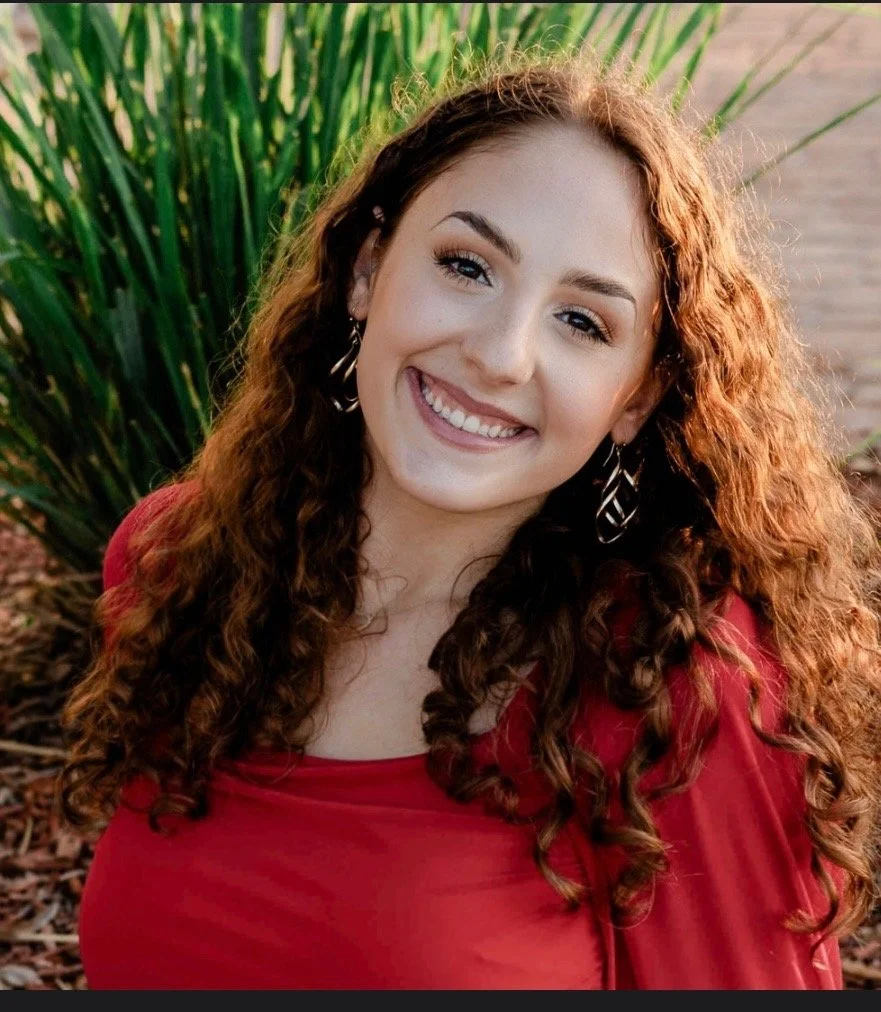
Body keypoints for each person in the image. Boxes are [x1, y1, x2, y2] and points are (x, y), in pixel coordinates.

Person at [58, 53, 881, 990]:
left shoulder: (665, 688)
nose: (498, 354)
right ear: (369, 270)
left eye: (582, 322)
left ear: (634, 398)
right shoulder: (178, 564)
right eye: (465, 265)